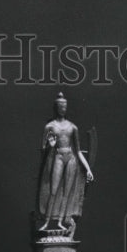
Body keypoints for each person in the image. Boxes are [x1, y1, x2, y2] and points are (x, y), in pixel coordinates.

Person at [35, 93, 94, 235]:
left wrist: (88, 169)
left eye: (65, 106)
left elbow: (78, 151)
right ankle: (47, 221)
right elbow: (42, 149)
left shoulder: (73, 127)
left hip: (71, 157)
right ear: (56, 107)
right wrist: (51, 145)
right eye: (60, 106)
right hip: (58, 156)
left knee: (66, 193)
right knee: (53, 191)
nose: (63, 108)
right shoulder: (50, 126)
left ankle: (60, 222)